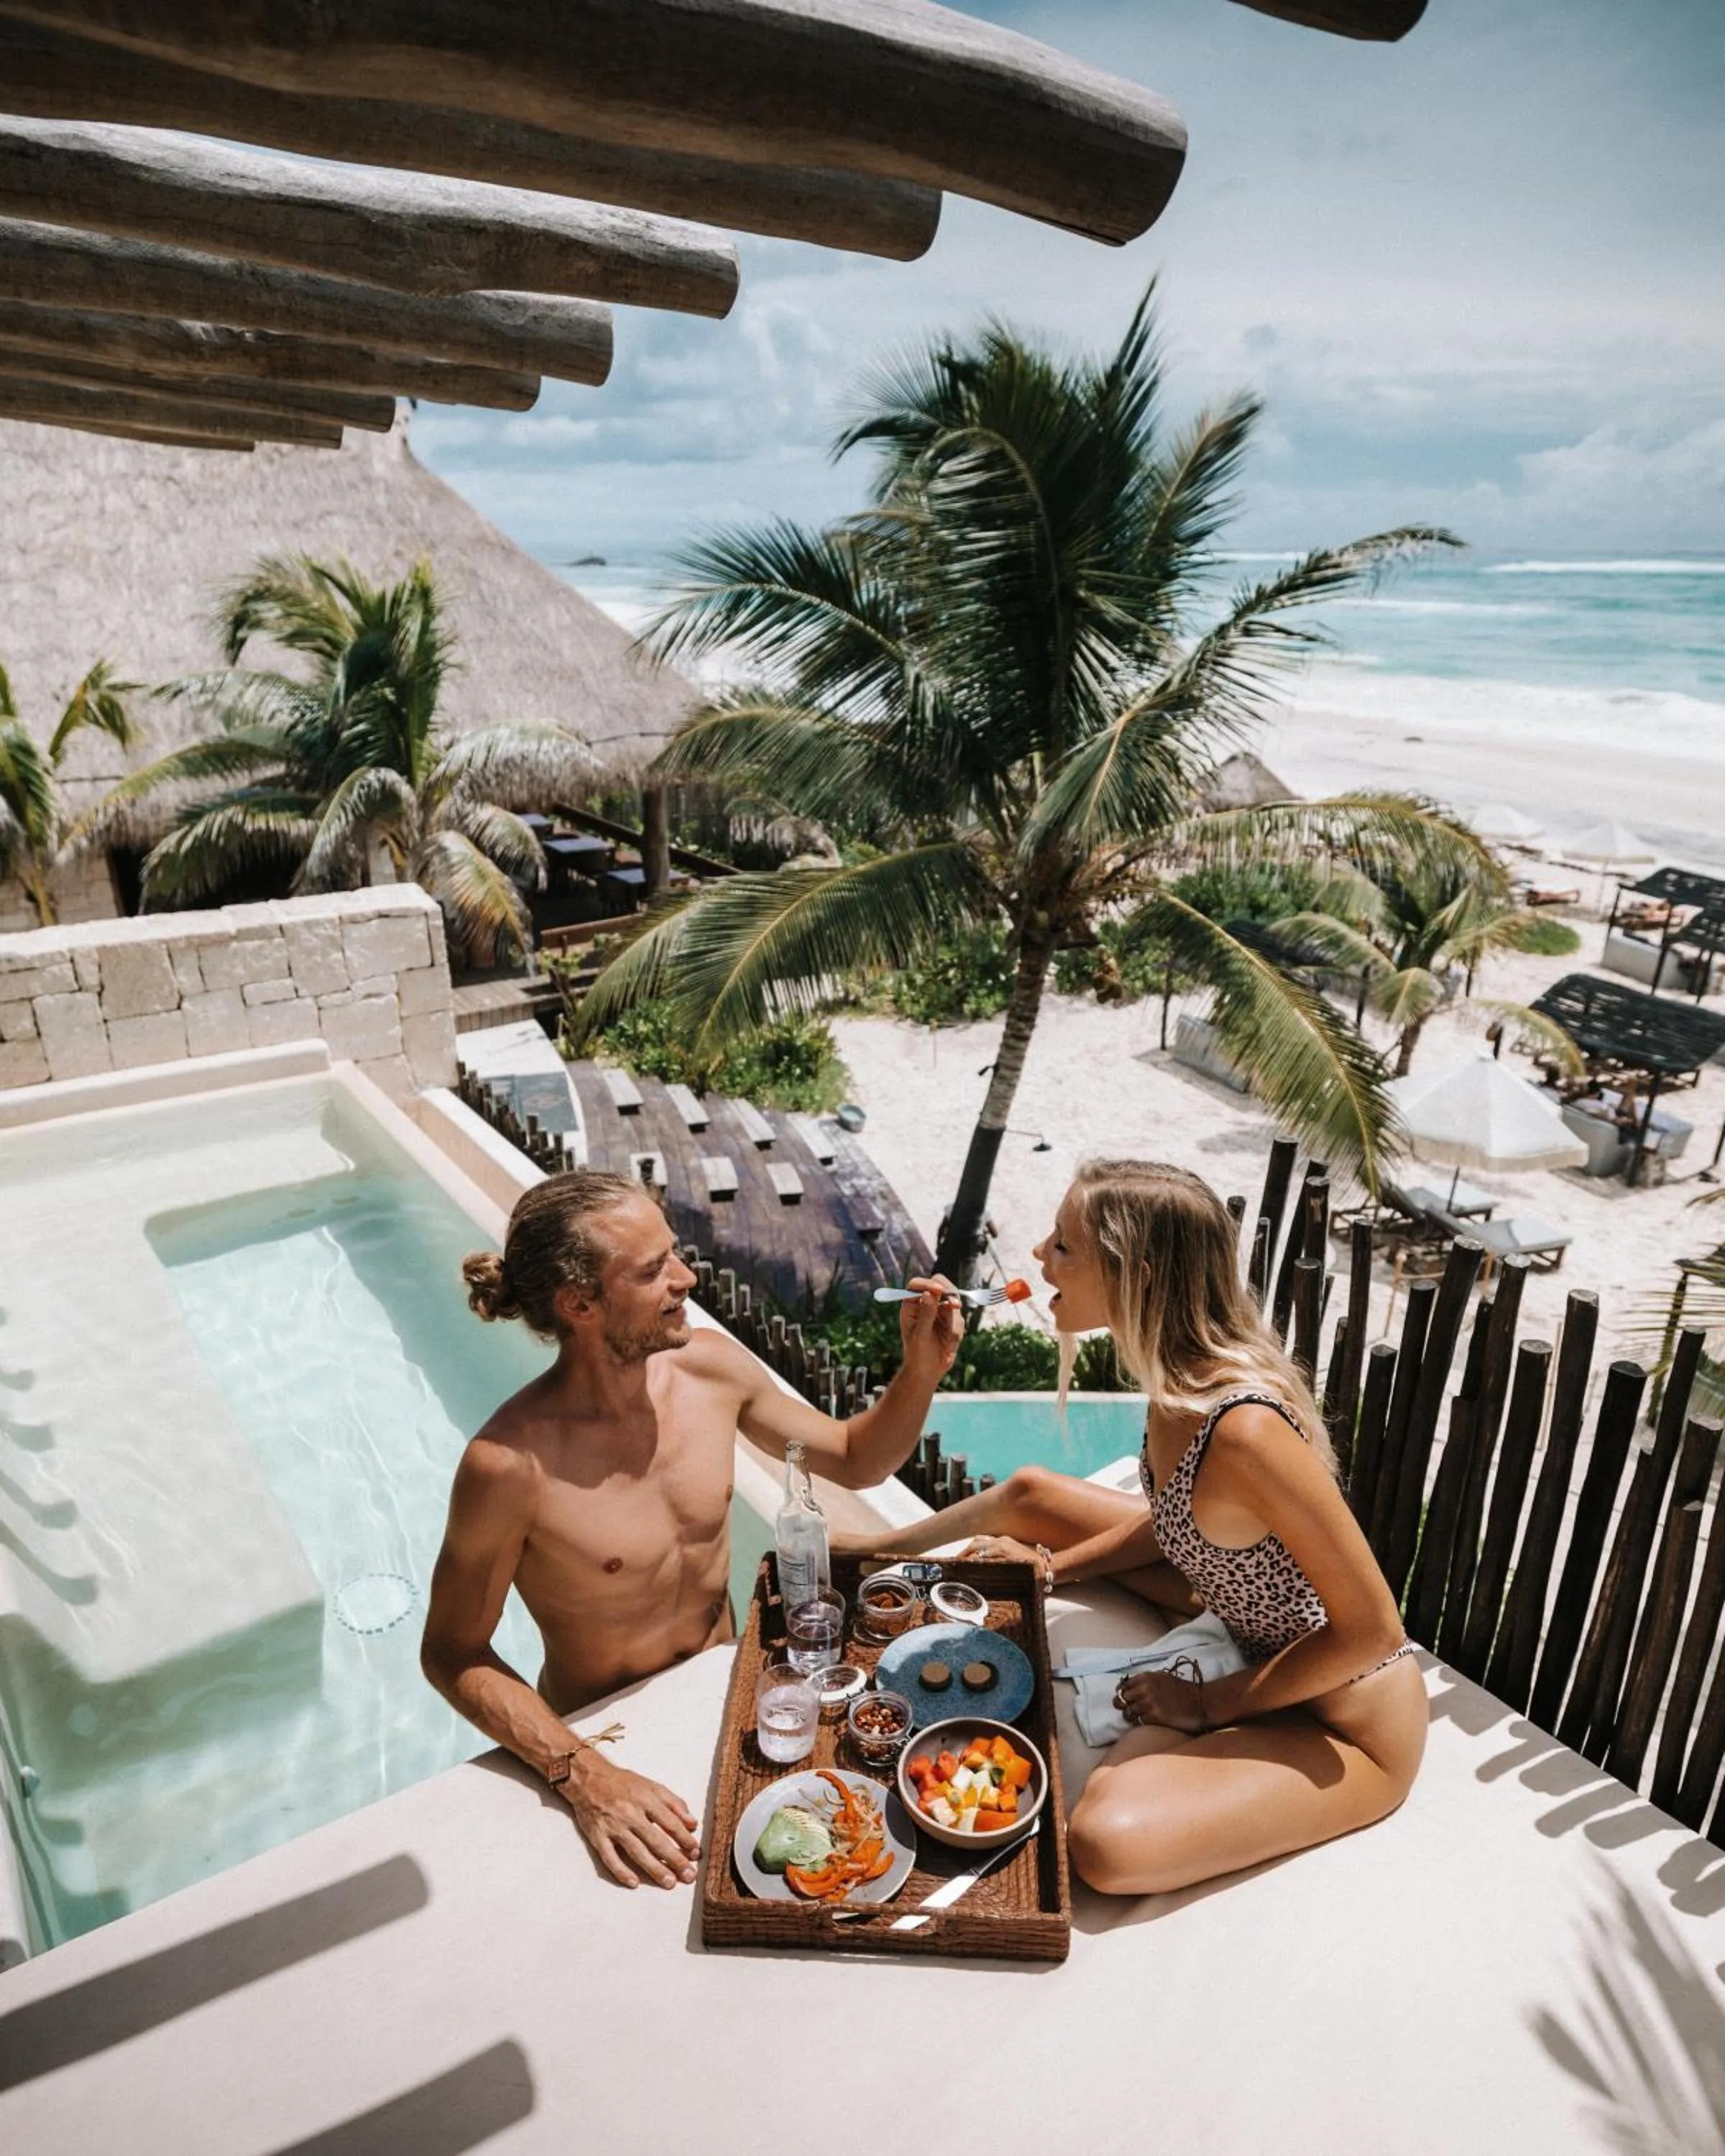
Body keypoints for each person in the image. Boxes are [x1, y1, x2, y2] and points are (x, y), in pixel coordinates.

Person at [852, 1159, 1426, 1897]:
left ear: (1138, 1274)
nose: (1037, 1256)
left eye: (1063, 1246)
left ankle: (1197, 1725)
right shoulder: (1176, 1385)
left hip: (1345, 1722)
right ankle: (863, 1555)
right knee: (1030, 1494)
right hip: (1244, 1630)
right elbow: (1178, 1522)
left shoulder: (1245, 1431)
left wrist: (1205, 1704)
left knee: (1105, 1846)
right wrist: (1052, 1571)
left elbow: (1374, 1633)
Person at [420, 1169, 962, 1892]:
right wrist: (585, 1779)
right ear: (580, 1303)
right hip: (612, 1734)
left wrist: (921, 1369)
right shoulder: (510, 1465)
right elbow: (452, 1651)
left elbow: (858, 1458)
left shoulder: (710, 1371)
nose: (686, 1279)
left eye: (673, 1254)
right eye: (654, 1271)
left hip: (735, 1690)